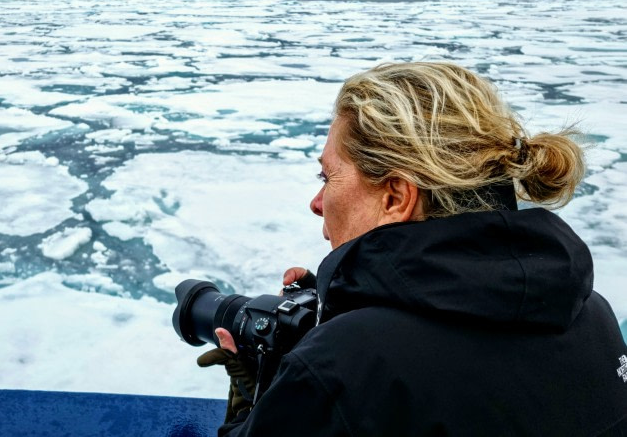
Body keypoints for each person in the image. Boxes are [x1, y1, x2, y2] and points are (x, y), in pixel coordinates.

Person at [200, 62, 627, 436]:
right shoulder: (595, 317)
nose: (316, 204)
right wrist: (354, 312)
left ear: (396, 197)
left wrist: (259, 399)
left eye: (327, 177)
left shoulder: (344, 367)